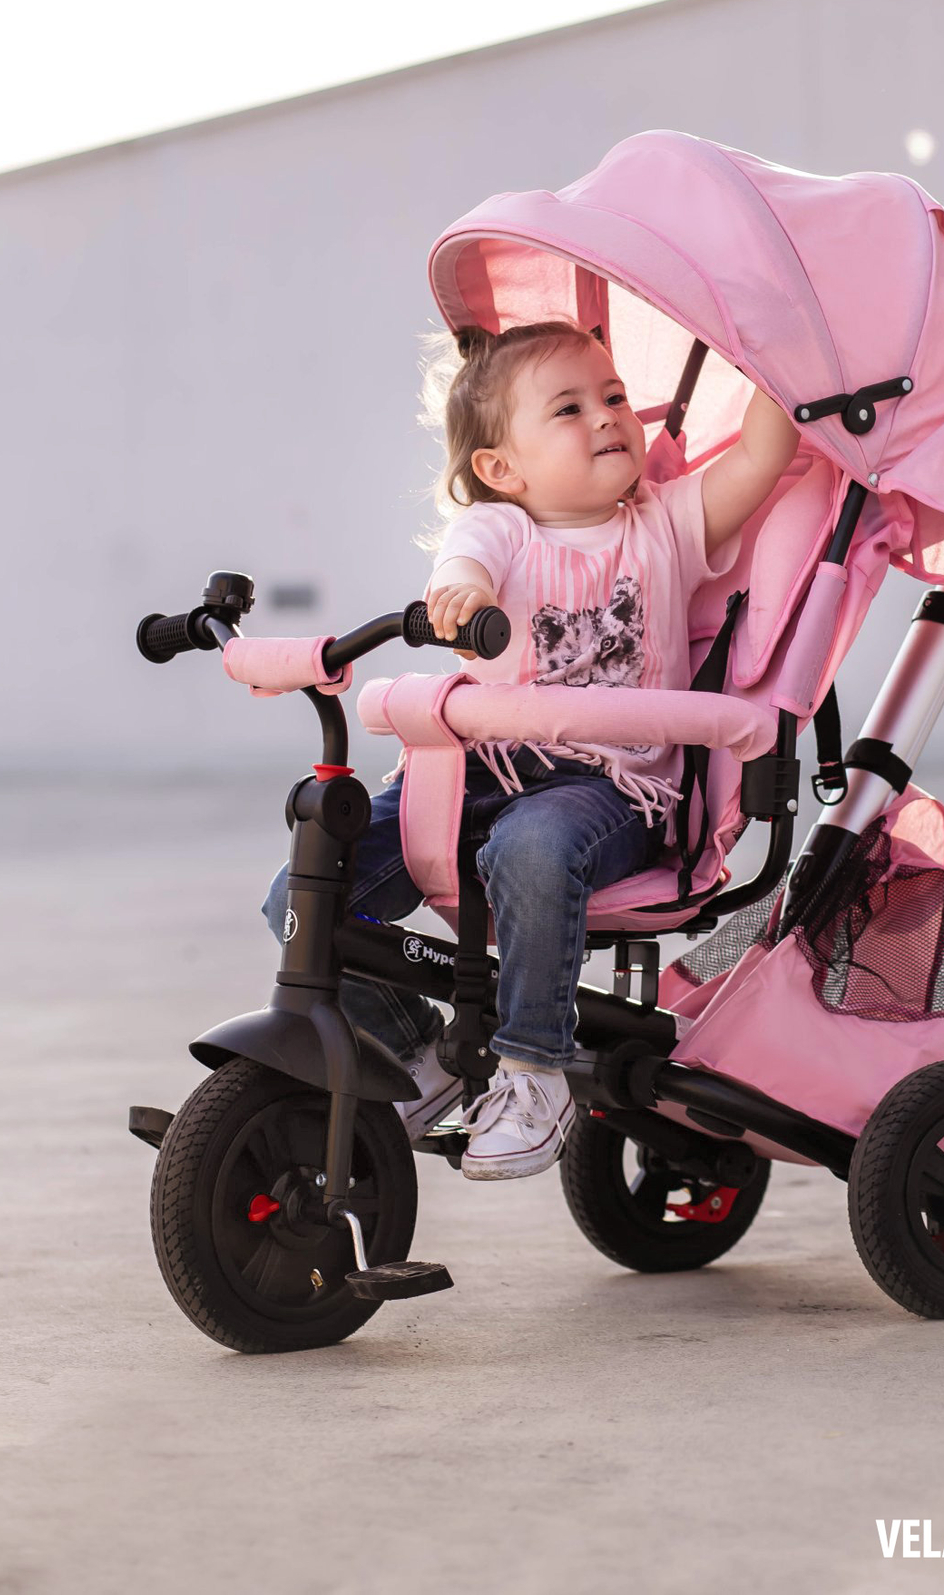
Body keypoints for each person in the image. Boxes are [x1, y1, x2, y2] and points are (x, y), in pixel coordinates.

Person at [262, 317, 798, 1179]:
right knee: (304, 890)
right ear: (501, 470)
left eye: (615, 397)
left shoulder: (665, 523)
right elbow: (461, 566)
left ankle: (532, 1068)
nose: (608, 417)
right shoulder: (499, 532)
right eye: (570, 408)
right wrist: (459, 596)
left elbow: (760, 459)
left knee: (534, 846)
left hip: (612, 784)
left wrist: (770, 353)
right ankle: (419, 1052)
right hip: (479, 769)